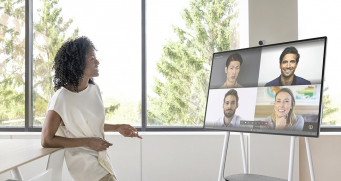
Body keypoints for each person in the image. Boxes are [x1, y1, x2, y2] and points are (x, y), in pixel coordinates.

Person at [41, 36, 142, 181]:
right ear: (77, 64)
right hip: (83, 162)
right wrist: (88, 142)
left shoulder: (94, 89)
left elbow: (89, 124)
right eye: (92, 59)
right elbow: (46, 139)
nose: (97, 62)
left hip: (101, 157)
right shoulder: (61, 98)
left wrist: (118, 127)